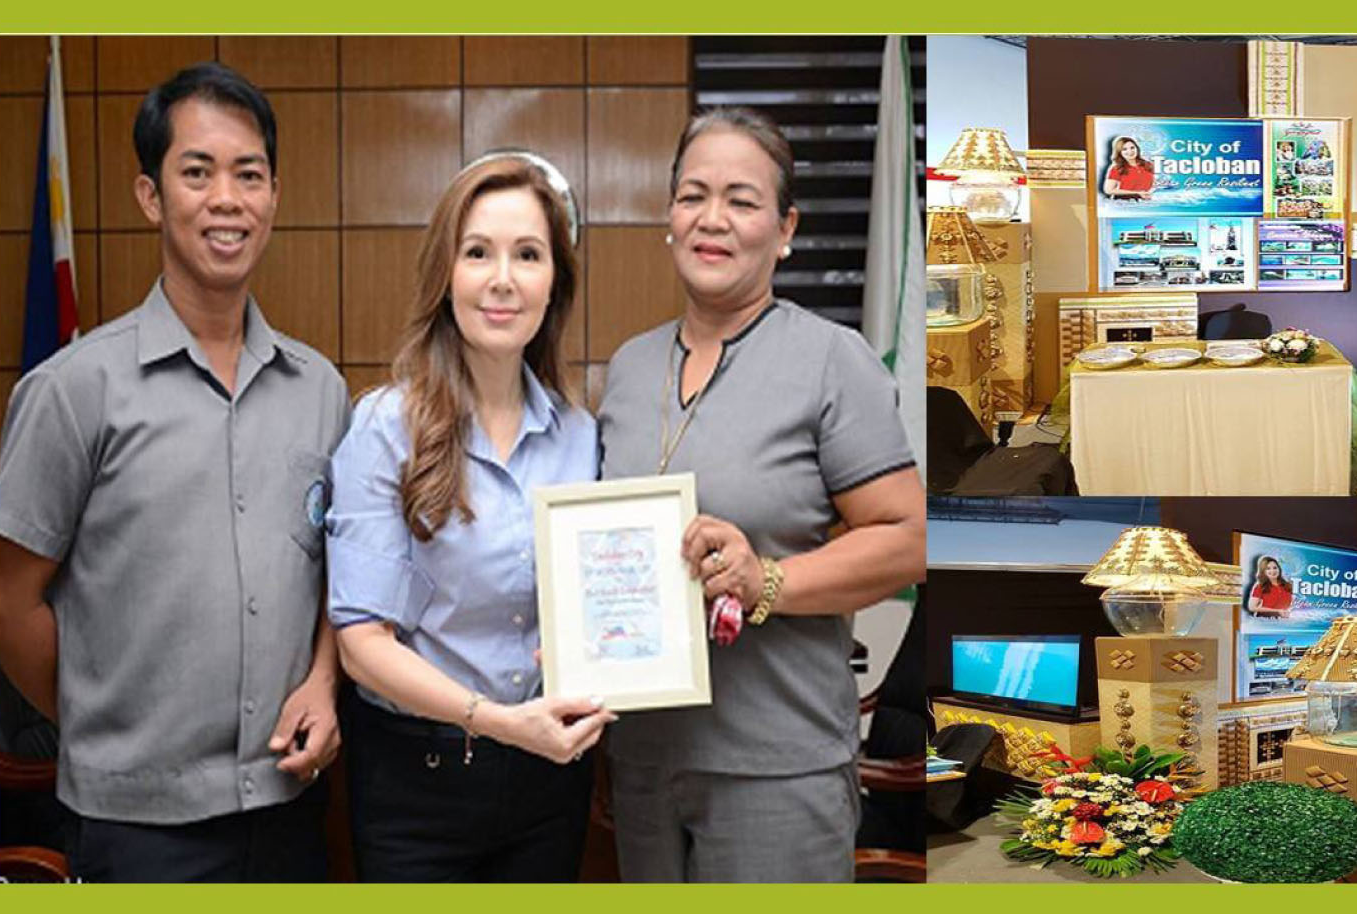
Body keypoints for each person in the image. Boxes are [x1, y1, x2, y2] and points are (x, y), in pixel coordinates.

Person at [0, 63, 347, 882]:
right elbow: (8, 601)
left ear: (273, 196)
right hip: (133, 826)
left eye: (248, 174)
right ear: (151, 196)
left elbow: (341, 575)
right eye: (197, 172)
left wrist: (324, 684)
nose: (227, 199)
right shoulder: (74, 388)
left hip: (289, 806)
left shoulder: (322, 391)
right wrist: (108, 720)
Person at [596, 107, 926, 883]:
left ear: (784, 230)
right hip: (641, 760)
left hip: (778, 765)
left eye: (741, 201)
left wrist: (766, 580)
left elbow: (907, 538)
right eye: (692, 195)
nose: (711, 218)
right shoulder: (629, 368)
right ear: (669, 217)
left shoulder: (830, 359)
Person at [324, 151, 616, 882]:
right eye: (478, 252)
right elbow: (361, 644)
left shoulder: (582, 437)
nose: (503, 279)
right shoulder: (384, 428)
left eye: (528, 255)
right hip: (415, 783)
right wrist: (499, 723)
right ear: (445, 275)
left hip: (551, 778)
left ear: (555, 283)